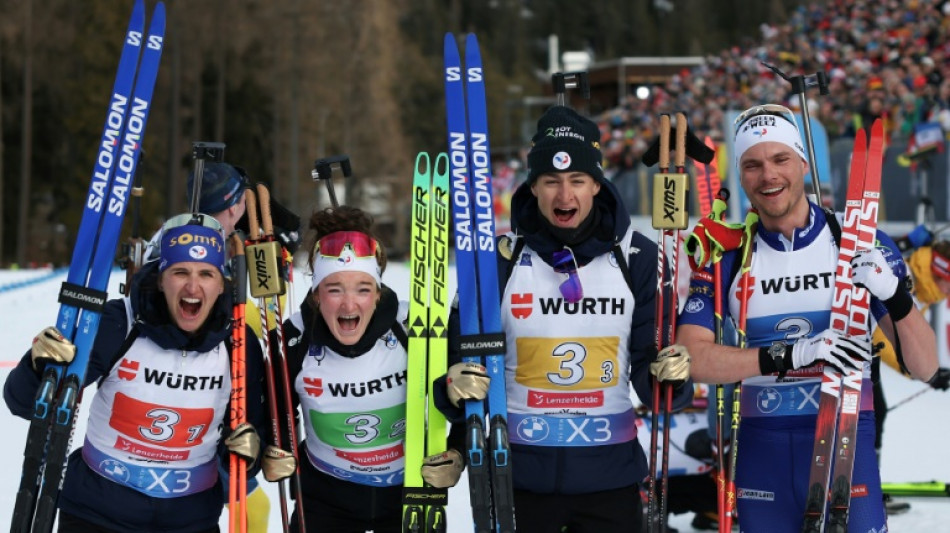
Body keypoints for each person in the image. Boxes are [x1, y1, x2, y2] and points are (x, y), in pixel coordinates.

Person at [677, 103, 940, 532]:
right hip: (763, 459)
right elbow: (692, 358)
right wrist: (789, 355)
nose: (769, 176)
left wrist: (895, 297)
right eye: (753, 164)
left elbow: (925, 365)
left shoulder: (857, 240)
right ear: (741, 177)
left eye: (781, 159)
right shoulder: (727, 256)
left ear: (802, 161)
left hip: (848, 452)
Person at [439, 105, 695, 532]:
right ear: (533, 186)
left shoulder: (638, 258)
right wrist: (453, 389)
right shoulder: (497, 263)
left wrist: (671, 378)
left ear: (596, 183)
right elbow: (457, 369)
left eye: (577, 180)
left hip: (610, 480)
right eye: (551, 181)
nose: (564, 196)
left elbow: (653, 376)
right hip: (516, 481)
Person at [3, 215, 270, 531]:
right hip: (98, 514)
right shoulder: (120, 324)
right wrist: (37, 367)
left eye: (206, 274)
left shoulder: (238, 342)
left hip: (189, 520)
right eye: (180, 272)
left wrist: (248, 452)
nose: (193, 286)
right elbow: (25, 404)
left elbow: (250, 438)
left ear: (221, 283)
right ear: (160, 278)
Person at [278, 205, 463, 532]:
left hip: (409, 493)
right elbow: (275, 416)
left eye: (362, 289)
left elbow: (465, 404)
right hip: (326, 498)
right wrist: (271, 448)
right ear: (317, 295)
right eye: (334, 289)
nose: (349, 305)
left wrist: (458, 454)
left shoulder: (415, 328)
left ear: (377, 293)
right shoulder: (295, 339)